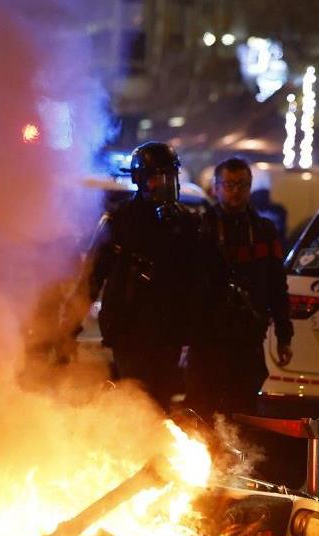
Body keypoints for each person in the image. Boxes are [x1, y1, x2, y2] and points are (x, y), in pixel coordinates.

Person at [87, 142, 224, 409]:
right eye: (155, 178)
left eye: (169, 178)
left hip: (169, 332)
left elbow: (208, 277)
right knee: (136, 401)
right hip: (130, 332)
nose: (162, 185)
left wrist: (202, 331)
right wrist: (70, 322)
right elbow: (93, 275)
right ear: (139, 180)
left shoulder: (188, 222)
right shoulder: (120, 221)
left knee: (160, 402)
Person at [186, 157, 294, 418]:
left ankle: (239, 459)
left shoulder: (263, 231)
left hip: (246, 339)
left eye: (242, 185)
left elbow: (277, 284)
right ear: (216, 187)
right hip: (208, 340)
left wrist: (284, 334)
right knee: (203, 411)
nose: (236, 191)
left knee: (243, 412)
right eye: (229, 184)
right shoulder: (199, 229)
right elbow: (186, 287)